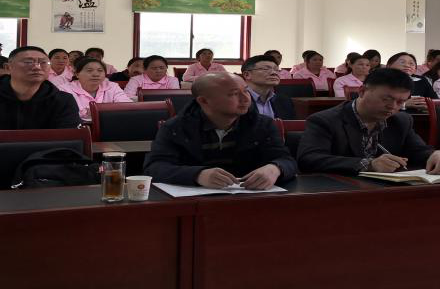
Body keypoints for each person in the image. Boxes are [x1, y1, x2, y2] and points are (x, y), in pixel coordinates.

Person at [143, 73, 297, 189]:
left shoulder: (262, 124)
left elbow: (286, 160)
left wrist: (275, 168)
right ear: (204, 101)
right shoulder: (176, 127)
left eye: (246, 91)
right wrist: (198, 175)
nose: (245, 99)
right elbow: (154, 167)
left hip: (250, 198)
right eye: (234, 94)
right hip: (195, 201)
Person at [298, 67, 440, 175]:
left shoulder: (401, 120)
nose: (393, 107)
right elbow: (309, 159)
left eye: (401, 102)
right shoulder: (325, 120)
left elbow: (419, 150)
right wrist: (369, 164)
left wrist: (438, 154)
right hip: (340, 191)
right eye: (386, 99)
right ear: (362, 91)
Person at [55, 57, 133, 121]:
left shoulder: (112, 86)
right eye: (89, 70)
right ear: (77, 74)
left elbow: (127, 106)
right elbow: (63, 114)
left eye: (100, 70)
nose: (96, 74)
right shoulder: (64, 89)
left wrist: (94, 112)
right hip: (78, 129)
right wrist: (87, 113)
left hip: (110, 125)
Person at [241, 54, 296, 120]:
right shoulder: (237, 99)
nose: (274, 73)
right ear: (247, 75)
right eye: (266, 69)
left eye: (276, 69)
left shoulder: (284, 101)